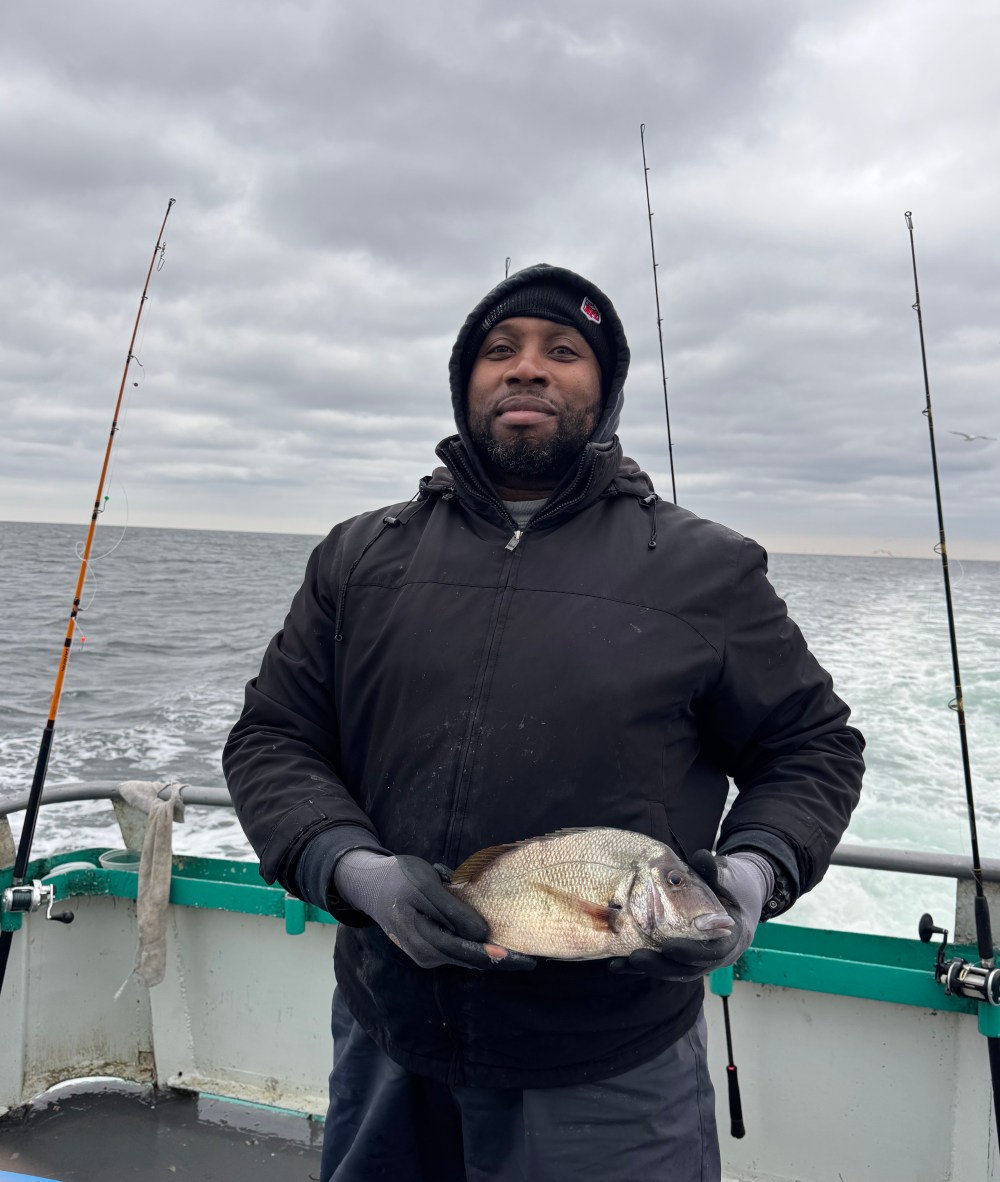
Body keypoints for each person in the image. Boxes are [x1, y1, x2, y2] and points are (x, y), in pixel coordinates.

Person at [223, 263, 865, 1182]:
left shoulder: (708, 569)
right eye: (499, 350)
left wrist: (756, 874)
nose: (527, 369)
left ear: (602, 391)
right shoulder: (360, 556)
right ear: (466, 381)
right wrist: (355, 873)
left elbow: (812, 749)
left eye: (562, 351)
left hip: (611, 1068)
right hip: (386, 1036)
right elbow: (272, 738)